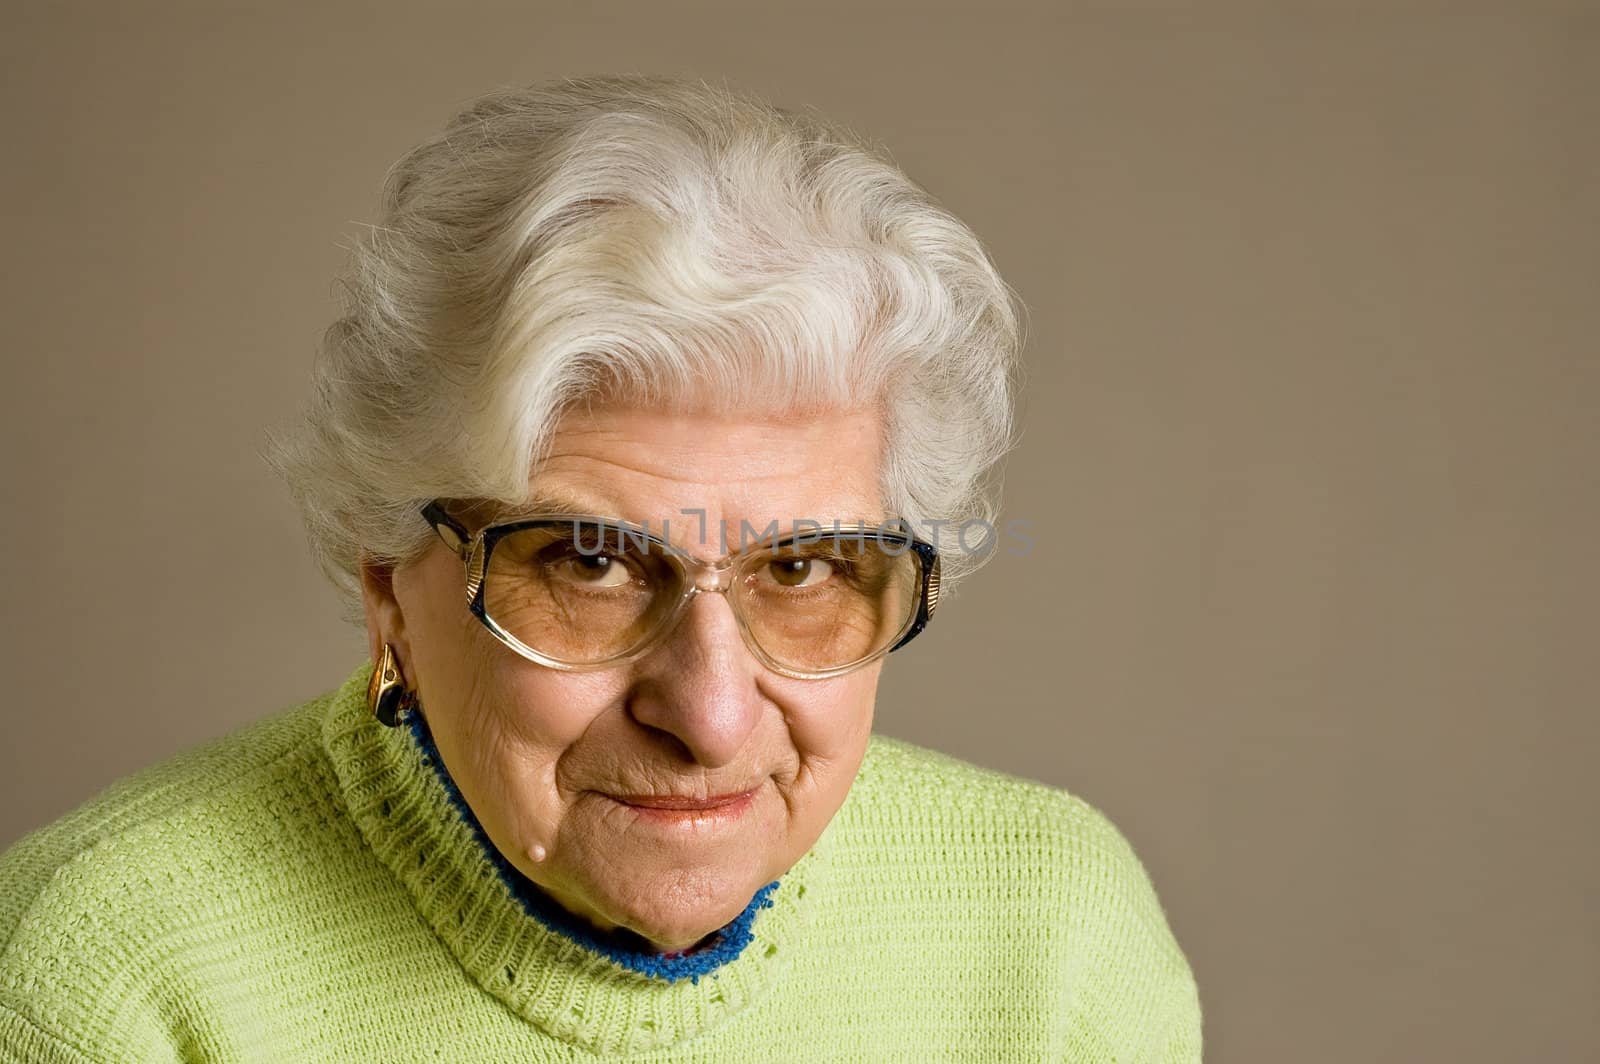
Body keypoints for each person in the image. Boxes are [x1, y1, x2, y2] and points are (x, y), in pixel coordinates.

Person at [0, 75, 1201, 1061]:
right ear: (386, 585)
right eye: (589, 562)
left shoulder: (1053, 933)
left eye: (806, 570)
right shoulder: (108, 976)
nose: (712, 713)